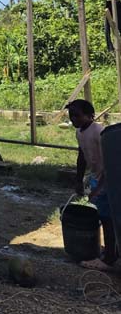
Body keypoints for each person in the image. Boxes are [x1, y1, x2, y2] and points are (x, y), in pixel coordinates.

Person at [68, 99, 116, 270]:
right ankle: (112, 251)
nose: (73, 119)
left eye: (77, 115)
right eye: (71, 115)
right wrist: (78, 179)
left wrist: (99, 188)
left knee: (108, 218)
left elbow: (111, 162)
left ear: (90, 116)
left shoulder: (99, 132)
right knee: (106, 216)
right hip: (98, 177)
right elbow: (82, 156)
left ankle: (109, 258)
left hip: (109, 179)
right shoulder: (80, 132)